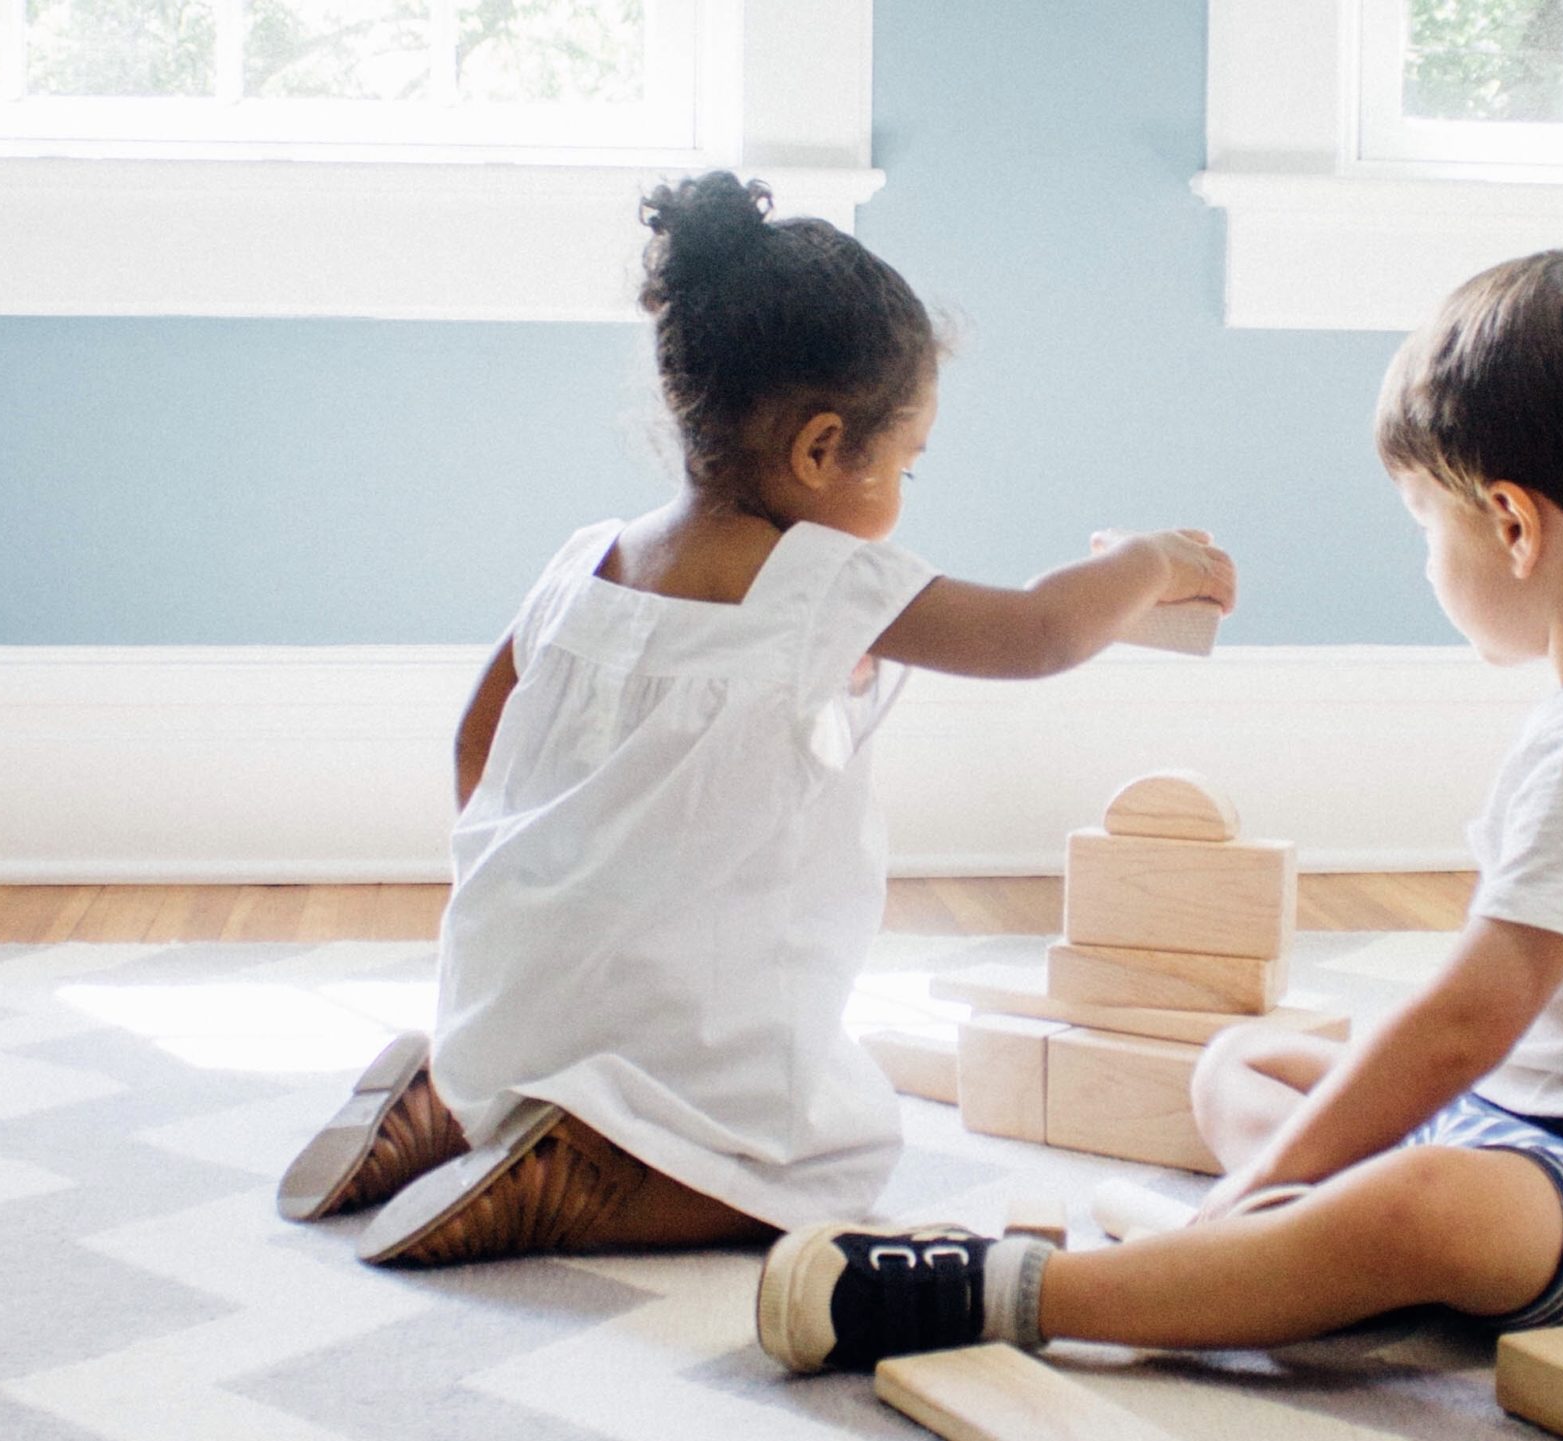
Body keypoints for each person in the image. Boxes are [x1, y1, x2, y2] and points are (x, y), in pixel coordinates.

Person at [755, 250, 1563, 1371]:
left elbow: (1467, 1020)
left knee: (1420, 1201)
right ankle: (1312, 1263)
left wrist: (1256, 1189)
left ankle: (1029, 1290)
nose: (1425, 561)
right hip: (1534, 1118)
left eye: (1425, 526)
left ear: (1511, 524)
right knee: (1239, 1065)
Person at [273, 171, 1237, 1266]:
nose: (906, 492)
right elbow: (1036, 633)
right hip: (684, 1039)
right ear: (824, 451)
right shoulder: (818, 582)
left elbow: (473, 743)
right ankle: (584, 1183)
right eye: (906, 464)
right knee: (818, 1162)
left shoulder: (585, 561)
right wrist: (1151, 561)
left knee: (538, 1049)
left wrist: (532, 904)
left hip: (503, 993)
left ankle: (459, 1094)